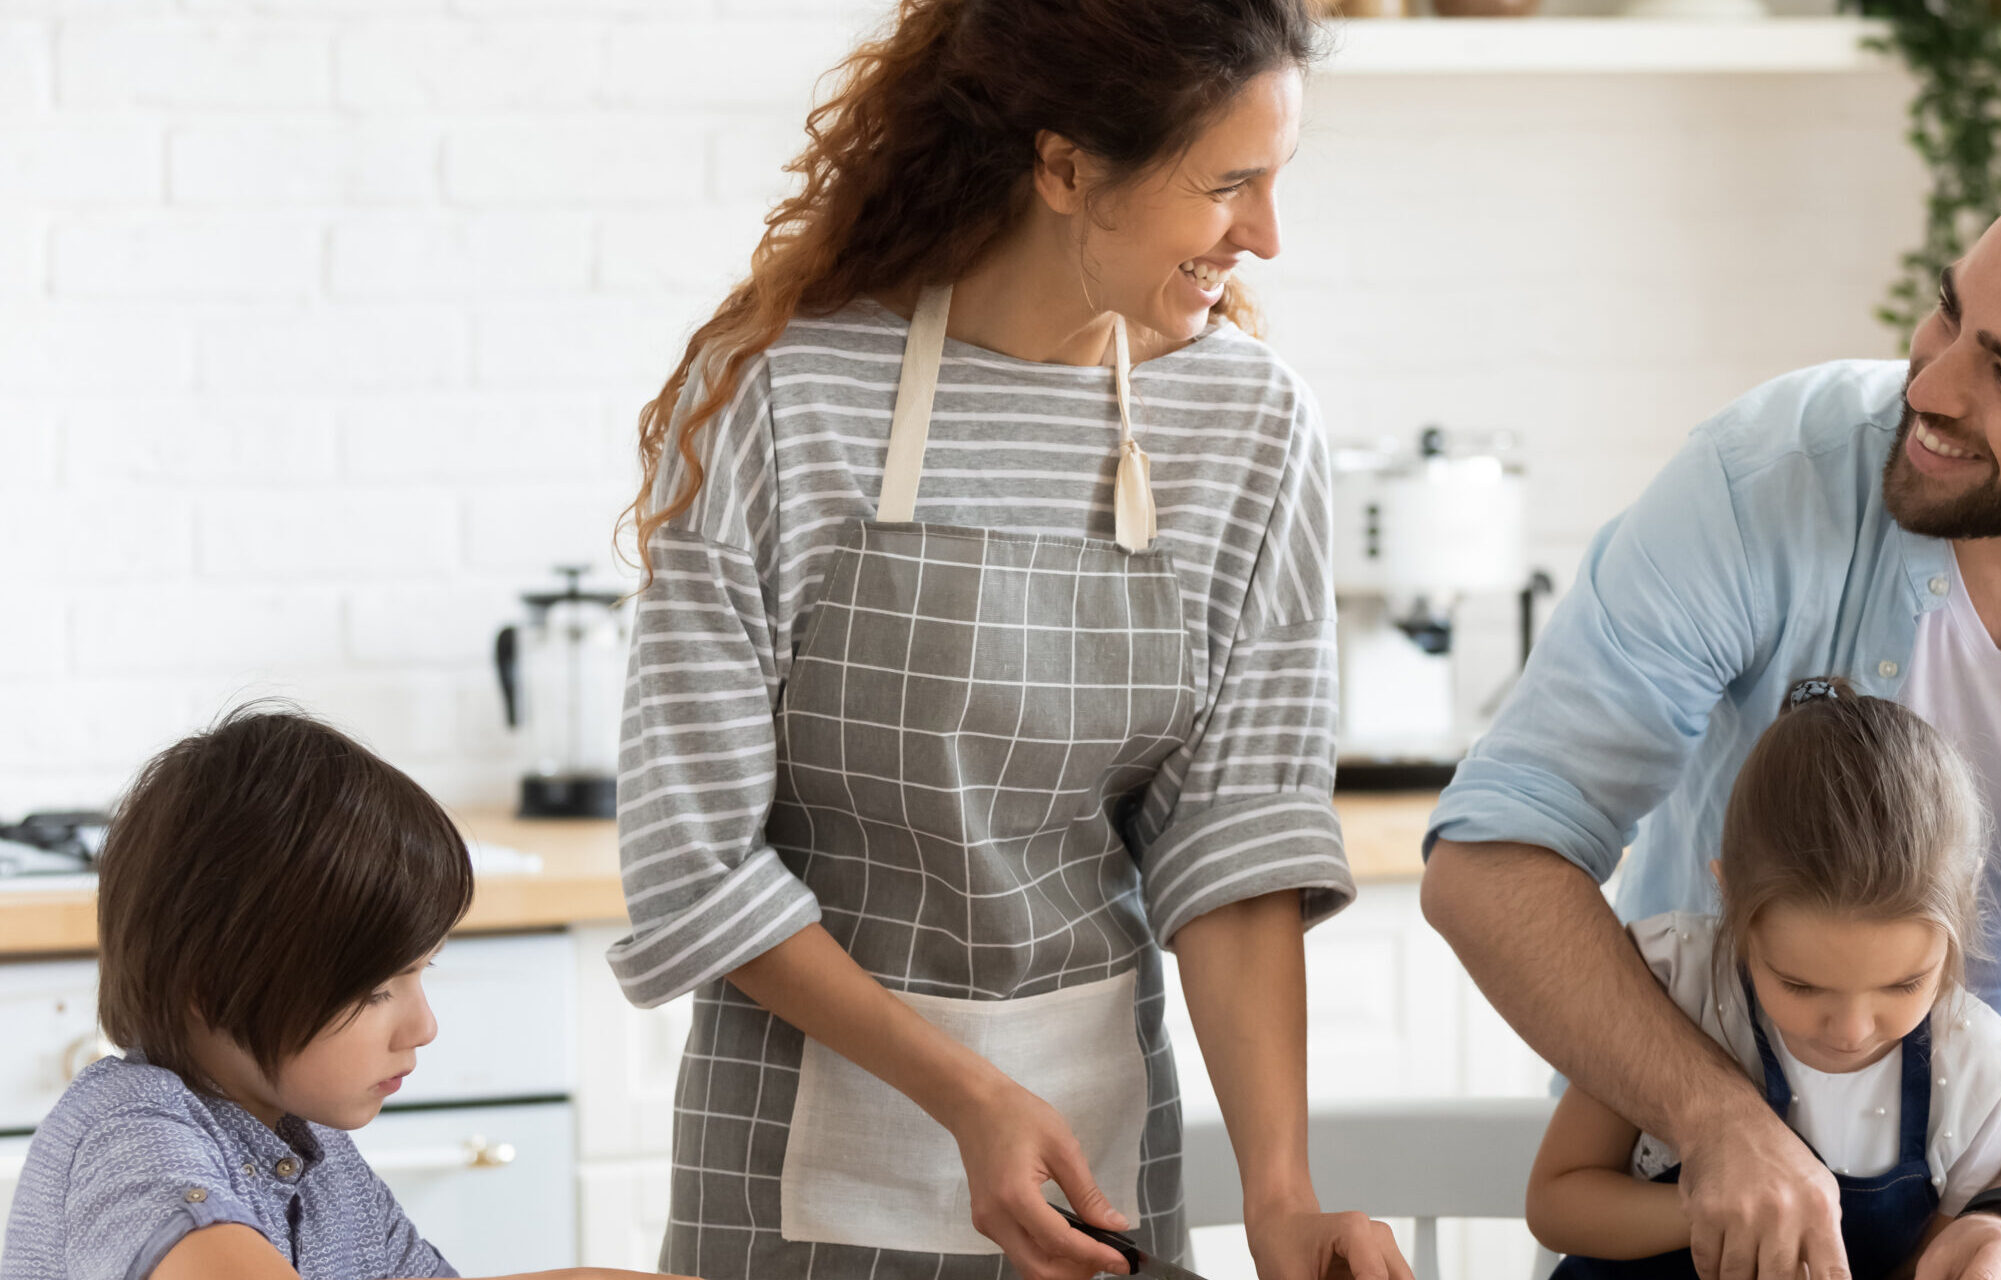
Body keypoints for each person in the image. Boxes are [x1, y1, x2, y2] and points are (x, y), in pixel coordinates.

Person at [1422, 143, 2001, 1280]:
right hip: (1712, 1206)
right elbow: (1494, 852)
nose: (1928, 385)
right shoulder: (1759, 478)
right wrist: (1719, 1123)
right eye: (1947, 314)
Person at [607, 3, 1406, 1280]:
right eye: (1228, 184)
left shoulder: (1244, 426)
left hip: (1099, 1178)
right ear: (1066, 167)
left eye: (1274, 182)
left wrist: (1280, 1195)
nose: (1263, 236)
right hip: (791, 1182)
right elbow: (693, 861)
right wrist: (967, 1094)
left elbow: (1235, 834)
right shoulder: (789, 398)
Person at [0, 707, 692, 1280]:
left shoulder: (315, 1153)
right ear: (210, 990)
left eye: (421, 973)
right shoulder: (131, 1136)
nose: (422, 1027)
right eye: (373, 991)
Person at [1527, 680, 2001, 1280]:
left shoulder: (1980, 1073)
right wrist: (1719, 1209)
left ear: (1965, 904)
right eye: (1800, 986)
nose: (1852, 1030)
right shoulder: (1667, 988)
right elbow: (1555, 1202)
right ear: (1730, 899)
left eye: (1904, 985)